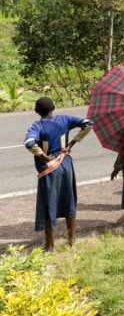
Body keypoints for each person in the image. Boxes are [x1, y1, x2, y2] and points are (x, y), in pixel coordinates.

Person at [23, 97, 93, 251]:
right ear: (53, 107)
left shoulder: (37, 125)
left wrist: (41, 154)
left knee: (49, 204)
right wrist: (71, 143)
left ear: (36, 111)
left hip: (49, 167)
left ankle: (50, 245)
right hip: (65, 163)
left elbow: (28, 143)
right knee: (69, 199)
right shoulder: (65, 119)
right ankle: (72, 240)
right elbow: (88, 124)